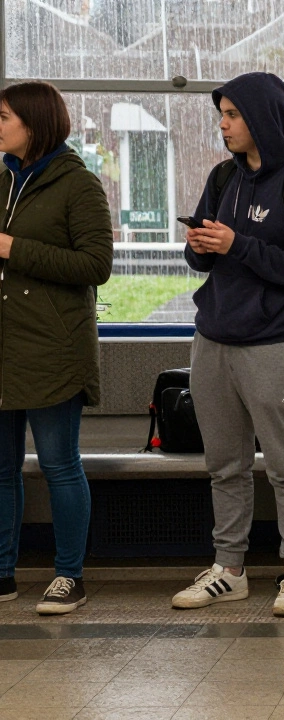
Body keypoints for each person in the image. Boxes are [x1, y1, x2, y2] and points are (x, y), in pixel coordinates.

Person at [169, 72, 284, 618]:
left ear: (260, 119)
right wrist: (202, 246)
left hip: (275, 343)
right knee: (224, 464)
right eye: (222, 115)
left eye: (233, 115)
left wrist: (237, 245)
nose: (224, 125)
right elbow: (204, 261)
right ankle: (229, 568)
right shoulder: (222, 177)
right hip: (213, 339)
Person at [0, 81, 112, 616]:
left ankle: (70, 575)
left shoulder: (79, 185)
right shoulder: (3, 182)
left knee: (58, 464)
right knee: (1, 469)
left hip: (53, 350)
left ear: (34, 124)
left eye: (3, 118)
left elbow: (96, 267)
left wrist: (13, 248)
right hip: (4, 347)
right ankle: (3, 573)